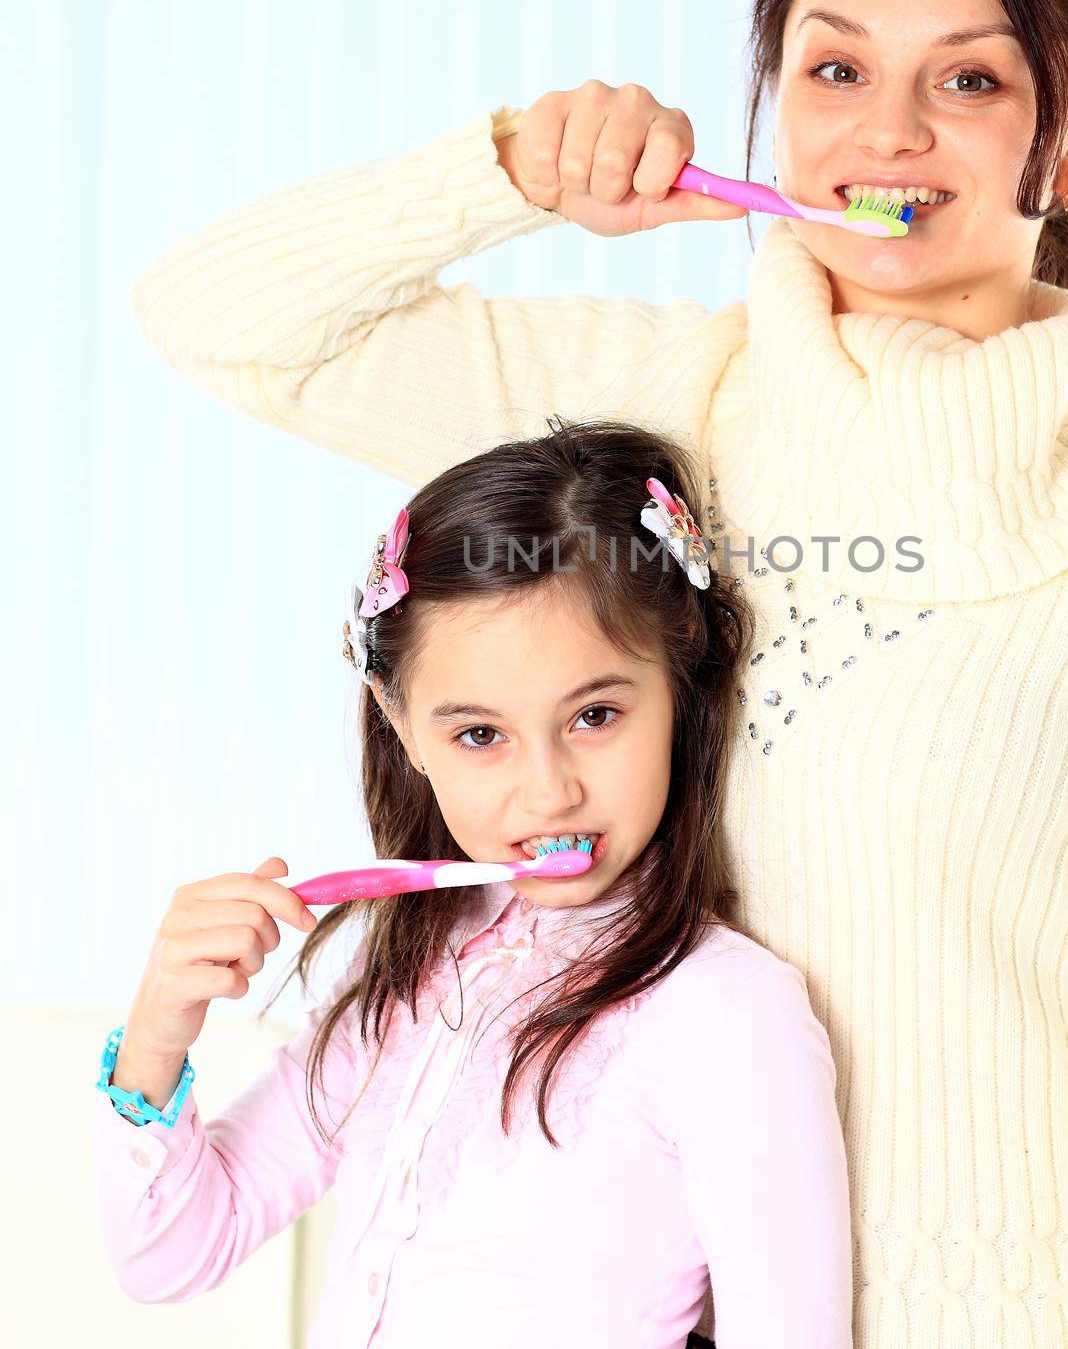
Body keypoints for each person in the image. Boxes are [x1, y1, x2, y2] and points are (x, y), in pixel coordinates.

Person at [124, 0, 1068, 1349]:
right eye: (831, 72)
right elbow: (217, 320)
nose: (884, 130)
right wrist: (503, 174)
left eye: (966, 83)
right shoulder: (658, 400)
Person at [92, 421, 853, 1348]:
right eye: (480, 735)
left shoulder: (728, 1012)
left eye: (596, 715)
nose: (548, 789)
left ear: (682, 693)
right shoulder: (397, 962)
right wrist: (160, 1026)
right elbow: (171, 1254)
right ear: (401, 725)